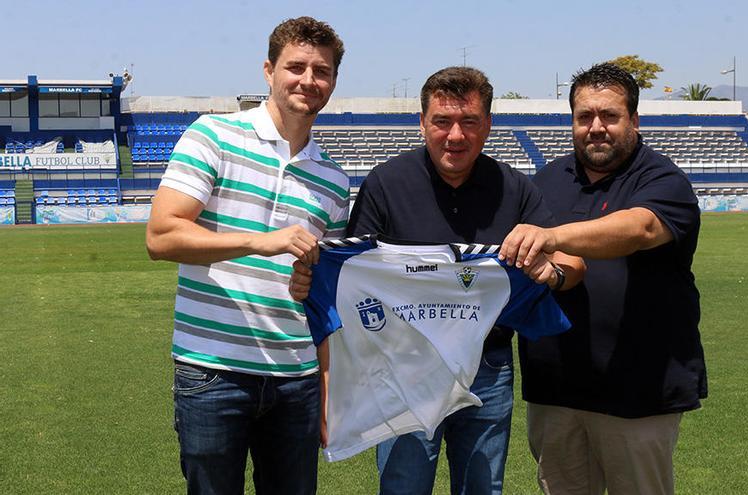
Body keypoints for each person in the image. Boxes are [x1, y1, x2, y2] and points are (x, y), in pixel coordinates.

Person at [291, 66, 583, 495]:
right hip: (403, 365)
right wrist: (332, 381)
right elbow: (349, 280)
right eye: (442, 122)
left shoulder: (514, 188)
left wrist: (551, 272)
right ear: (422, 123)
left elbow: (571, 264)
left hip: (488, 365)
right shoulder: (386, 184)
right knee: (404, 487)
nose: (455, 135)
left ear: (488, 124)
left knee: (483, 488)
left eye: (469, 122)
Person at [145, 17, 348, 495]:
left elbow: (325, 298)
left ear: (334, 82)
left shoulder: (334, 180)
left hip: (296, 380)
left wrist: (326, 385)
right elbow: (161, 236)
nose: (308, 80)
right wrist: (260, 241)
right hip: (213, 371)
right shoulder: (213, 136)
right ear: (268, 71)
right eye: (295, 66)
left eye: (322, 71)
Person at [499, 63, 707, 495]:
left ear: (633, 119)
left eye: (609, 116)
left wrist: (552, 236)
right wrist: (549, 270)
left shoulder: (662, 178)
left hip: (640, 391)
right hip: (556, 389)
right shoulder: (546, 180)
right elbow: (550, 267)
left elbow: (640, 229)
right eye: (584, 116)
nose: (596, 127)